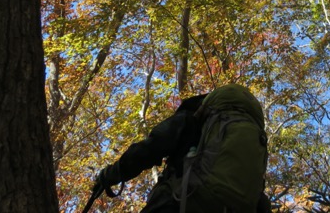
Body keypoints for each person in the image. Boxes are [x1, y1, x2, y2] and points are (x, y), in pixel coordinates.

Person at [93, 86, 270, 213]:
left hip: (179, 202)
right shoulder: (249, 143)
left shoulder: (190, 119)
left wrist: (111, 174)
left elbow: (150, 148)